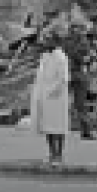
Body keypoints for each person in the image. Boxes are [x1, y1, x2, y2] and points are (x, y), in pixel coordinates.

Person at [31, 31, 70, 165]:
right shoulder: (45, 56)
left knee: (58, 127)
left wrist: (51, 92)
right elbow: (40, 76)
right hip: (44, 96)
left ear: (55, 42)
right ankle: (51, 153)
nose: (45, 43)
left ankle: (58, 155)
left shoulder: (61, 57)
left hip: (57, 97)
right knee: (47, 127)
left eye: (47, 40)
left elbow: (63, 79)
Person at [63, 20, 96, 140]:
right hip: (76, 74)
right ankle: (85, 132)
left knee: (75, 104)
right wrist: (90, 57)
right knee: (80, 105)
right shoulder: (81, 41)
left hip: (69, 74)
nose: (82, 31)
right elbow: (84, 58)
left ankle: (83, 131)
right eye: (80, 28)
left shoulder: (65, 41)